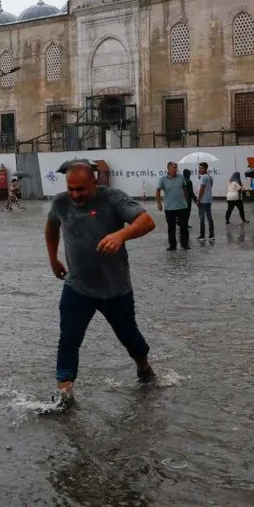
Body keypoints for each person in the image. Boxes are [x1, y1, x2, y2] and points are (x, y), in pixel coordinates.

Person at [45, 160, 157, 407]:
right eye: (71, 188)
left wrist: (121, 234)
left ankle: (144, 369)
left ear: (94, 182)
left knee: (130, 338)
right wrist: (53, 259)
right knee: (68, 339)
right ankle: (64, 395)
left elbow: (147, 221)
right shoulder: (60, 202)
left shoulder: (113, 198)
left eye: (81, 189)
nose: (75, 194)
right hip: (78, 287)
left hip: (115, 289)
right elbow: (52, 226)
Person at [155, 161, 189, 251]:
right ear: (169, 168)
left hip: (182, 206)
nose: (176, 169)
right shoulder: (163, 179)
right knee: (171, 228)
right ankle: (172, 245)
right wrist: (159, 203)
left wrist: (186, 201)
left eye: (176, 167)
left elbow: (185, 188)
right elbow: (158, 191)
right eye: (174, 167)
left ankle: (184, 244)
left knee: (184, 227)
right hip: (170, 208)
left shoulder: (181, 177)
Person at [196, 162, 215, 242]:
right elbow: (210, 187)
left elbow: (202, 189)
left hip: (203, 201)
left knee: (202, 218)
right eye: (199, 168)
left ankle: (202, 235)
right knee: (209, 217)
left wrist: (198, 199)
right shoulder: (210, 177)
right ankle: (211, 235)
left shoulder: (203, 177)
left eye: (201, 168)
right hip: (209, 200)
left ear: (206, 168)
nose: (200, 170)